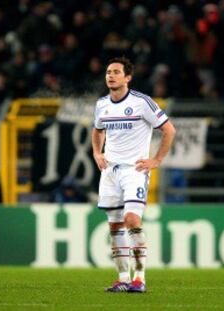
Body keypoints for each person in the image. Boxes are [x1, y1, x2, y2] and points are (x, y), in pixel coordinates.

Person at [92, 57, 176, 293]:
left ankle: (139, 278)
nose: (111, 75)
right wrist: (98, 153)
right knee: (115, 226)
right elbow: (97, 130)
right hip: (109, 171)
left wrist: (156, 160)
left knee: (132, 220)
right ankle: (122, 279)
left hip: (135, 170)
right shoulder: (102, 105)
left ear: (128, 77)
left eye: (116, 72)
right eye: (108, 72)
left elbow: (169, 130)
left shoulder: (142, 103)